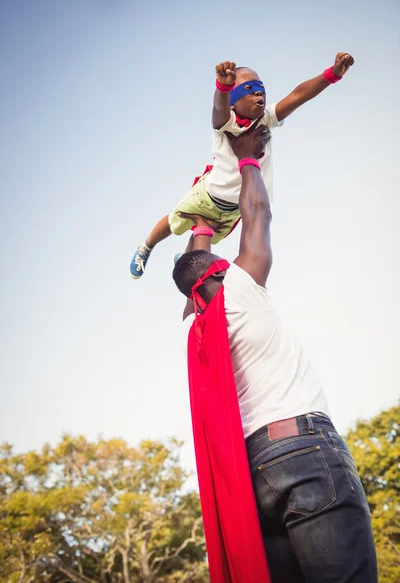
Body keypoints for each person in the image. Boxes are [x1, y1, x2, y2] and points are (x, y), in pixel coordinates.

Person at [172, 124, 377, 582]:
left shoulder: (194, 326)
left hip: (253, 478)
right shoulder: (240, 289)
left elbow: (191, 269)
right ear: (220, 273)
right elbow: (258, 213)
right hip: (302, 451)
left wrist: (203, 220)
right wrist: (246, 160)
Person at [130, 52, 354, 279]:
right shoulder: (226, 123)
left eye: (261, 88)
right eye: (248, 89)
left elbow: (298, 95)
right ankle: (146, 247)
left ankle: (184, 259)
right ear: (233, 103)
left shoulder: (267, 119)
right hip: (206, 196)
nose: (259, 92)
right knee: (174, 221)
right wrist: (222, 88)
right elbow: (218, 110)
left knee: (201, 237)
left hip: (234, 209)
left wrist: (332, 75)